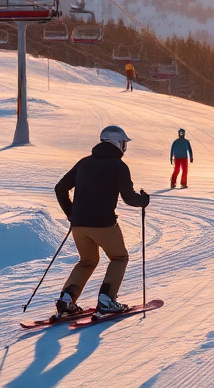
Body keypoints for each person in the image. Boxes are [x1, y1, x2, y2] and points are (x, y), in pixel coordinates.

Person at [53, 125, 150, 318]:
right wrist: (143, 200)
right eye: (124, 143)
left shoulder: (84, 163)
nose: (125, 147)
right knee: (119, 257)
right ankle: (106, 300)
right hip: (103, 224)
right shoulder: (118, 166)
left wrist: (72, 214)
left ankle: (66, 299)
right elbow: (129, 198)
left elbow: (60, 188)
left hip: (79, 225)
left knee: (87, 261)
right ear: (117, 143)